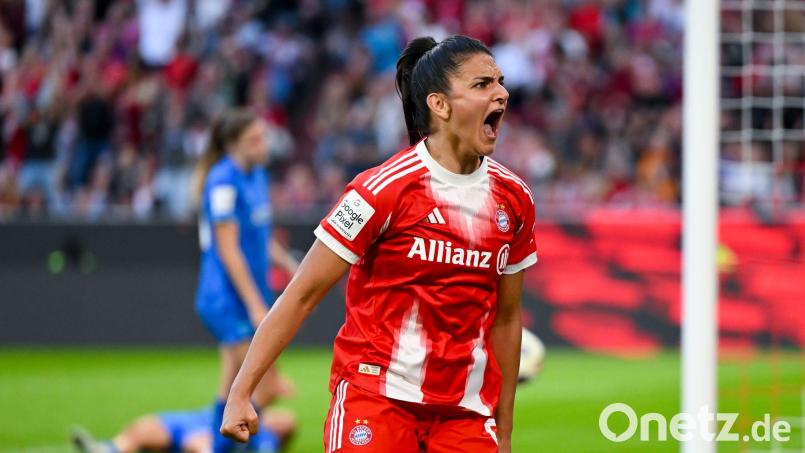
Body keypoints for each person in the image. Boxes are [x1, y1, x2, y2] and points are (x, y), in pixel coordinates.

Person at [221, 35, 537, 453]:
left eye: (500, 81)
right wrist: (241, 391)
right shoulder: (380, 190)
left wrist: (505, 432)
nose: (501, 93)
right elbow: (302, 294)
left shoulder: (514, 199)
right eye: (482, 85)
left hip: (464, 414)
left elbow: (507, 319)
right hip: (376, 399)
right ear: (439, 105)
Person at [193, 109, 299, 453]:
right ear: (235, 145)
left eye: (263, 136)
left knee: (234, 385)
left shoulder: (255, 176)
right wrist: (255, 304)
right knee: (261, 385)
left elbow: (260, 234)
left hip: (247, 295)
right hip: (226, 298)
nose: (263, 144)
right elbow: (228, 250)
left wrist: (289, 264)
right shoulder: (222, 181)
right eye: (255, 140)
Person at [71, 407, 296, 453]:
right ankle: (107, 449)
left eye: (283, 424)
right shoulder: (259, 421)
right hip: (190, 421)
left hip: (209, 435)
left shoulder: (266, 440)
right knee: (141, 429)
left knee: (199, 445)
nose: (281, 419)